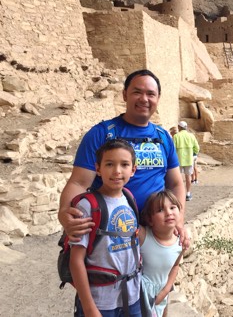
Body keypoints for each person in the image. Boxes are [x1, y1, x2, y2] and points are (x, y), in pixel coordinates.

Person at [59, 69, 188, 247]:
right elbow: (79, 183)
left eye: (151, 94)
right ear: (124, 95)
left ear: (158, 99)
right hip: (112, 231)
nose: (144, 99)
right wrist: (65, 212)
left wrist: (179, 219)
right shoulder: (102, 134)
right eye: (137, 92)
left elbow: (175, 183)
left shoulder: (163, 137)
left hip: (154, 232)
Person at [70, 139, 141, 317]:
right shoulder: (88, 206)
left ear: (133, 169)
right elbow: (76, 260)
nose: (117, 171)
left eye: (124, 164)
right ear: (98, 168)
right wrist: (89, 308)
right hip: (100, 301)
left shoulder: (129, 198)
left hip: (132, 297)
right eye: (109, 164)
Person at [139, 190, 184, 317]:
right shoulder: (144, 236)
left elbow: (175, 266)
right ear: (150, 220)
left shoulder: (180, 243)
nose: (168, 213)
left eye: (172, 207)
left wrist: (165, 291)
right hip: (140, 294)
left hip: (161, 294)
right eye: (160, 210)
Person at [172, 121, 199, 201]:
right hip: (189, 159)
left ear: (179, 127)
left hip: (179, 160)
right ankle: (188, 193)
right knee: (188, 177)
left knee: (178, 178)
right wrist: (194, 154)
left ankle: (179, 194)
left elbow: (173, 149)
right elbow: (196, 147)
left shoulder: (176, 136)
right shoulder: (191, 136)